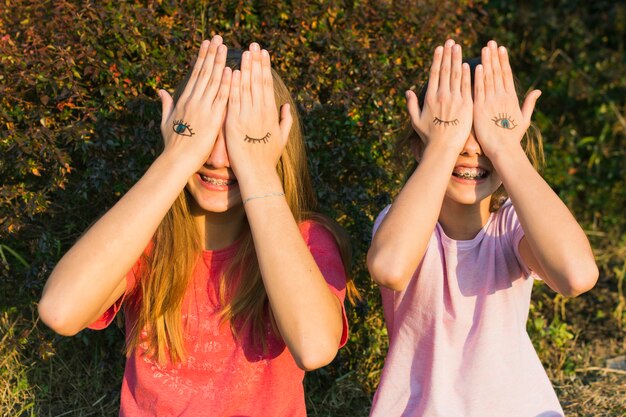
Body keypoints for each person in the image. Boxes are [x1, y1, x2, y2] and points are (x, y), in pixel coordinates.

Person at [38, 35, 356, 416]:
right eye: (208, 133)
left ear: (277, 144)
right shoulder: (146, 235)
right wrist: (179, 155)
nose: (220, 158)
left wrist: (257, 167)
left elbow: (314, 346)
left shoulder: (304, 241)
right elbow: (60, 310)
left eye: (241, 138)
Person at [367, 39, 598, 416]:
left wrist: (506, 147)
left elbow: (576, 275)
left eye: (484, 129)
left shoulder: (511, 226)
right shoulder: (403, 222)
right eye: (457, 128)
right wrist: (442, 145)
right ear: (418, 142)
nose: (473, 147)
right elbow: (390, 268)